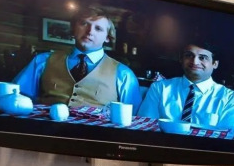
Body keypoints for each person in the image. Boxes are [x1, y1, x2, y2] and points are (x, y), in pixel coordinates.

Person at [12, 7, 142, 110]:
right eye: (84, 23)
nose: (90, 31)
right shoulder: (42, 61)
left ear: (107, 38)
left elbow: (132, 119)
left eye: (98, 28)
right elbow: (16, 97)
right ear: (74, 28)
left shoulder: (124, 75)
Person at [137, 42, 234, 137]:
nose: (195, 62)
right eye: (189, 55)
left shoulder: (233, 101)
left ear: (215, 64)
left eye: (203, 57)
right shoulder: (160, 88)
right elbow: (144, 127)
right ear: (181, 59)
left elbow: (231, 139)